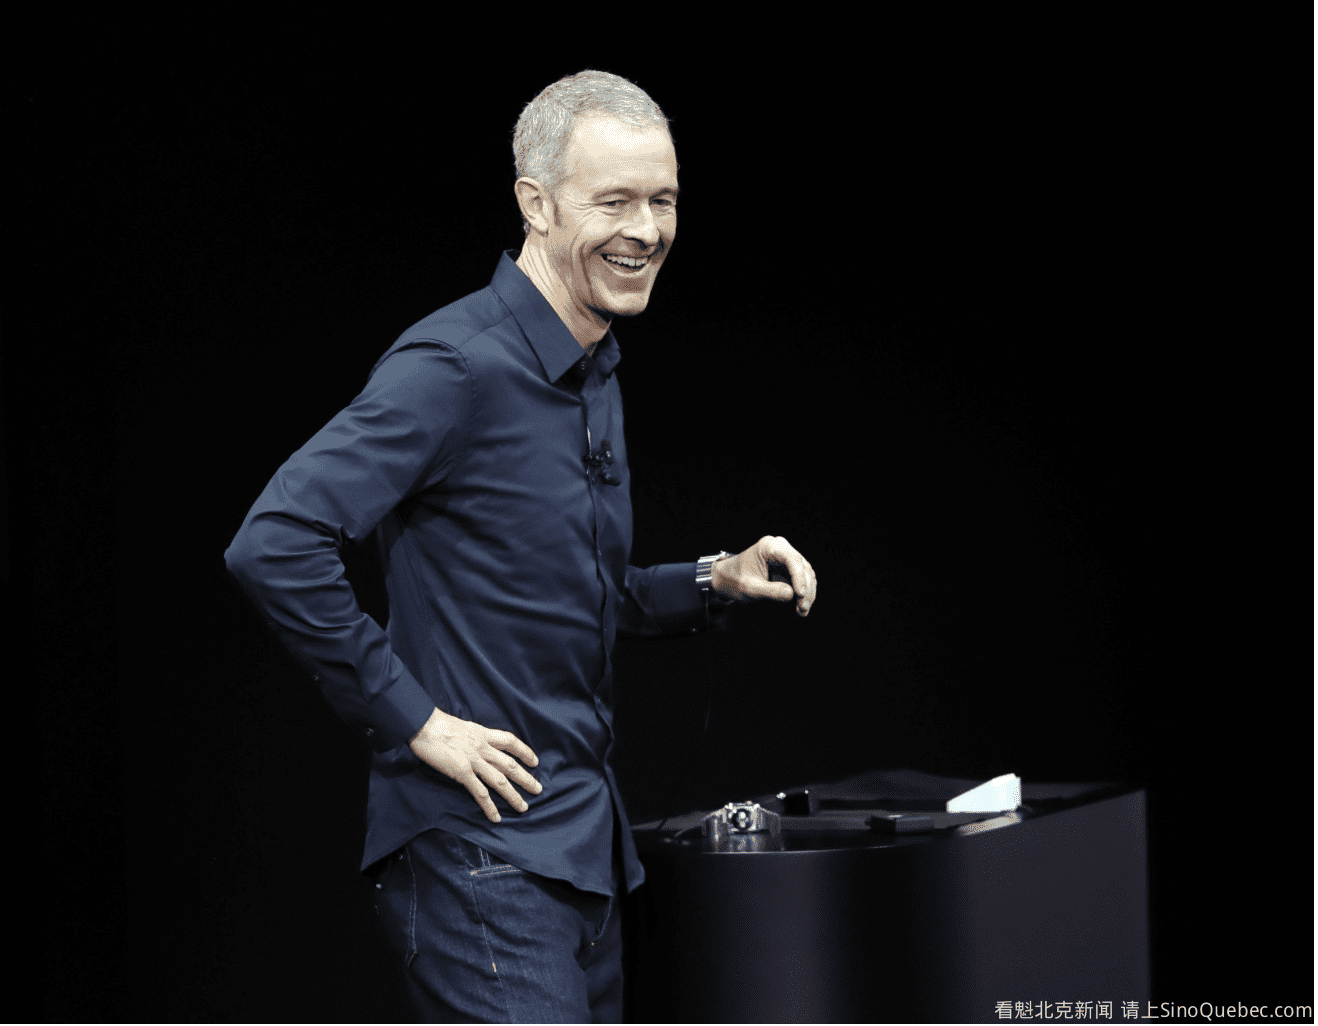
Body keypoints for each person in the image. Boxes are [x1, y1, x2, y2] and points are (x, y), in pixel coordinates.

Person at [224, 68, 817, 1023]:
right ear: (535, 205)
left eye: (663, 200)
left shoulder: (593, 369)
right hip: (479, 861)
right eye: (614, 201)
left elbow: (571, 589)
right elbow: (275, 540)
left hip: (585, 853)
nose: (646, 229)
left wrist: (717, 579)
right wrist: (416, 718)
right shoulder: (455, 366)